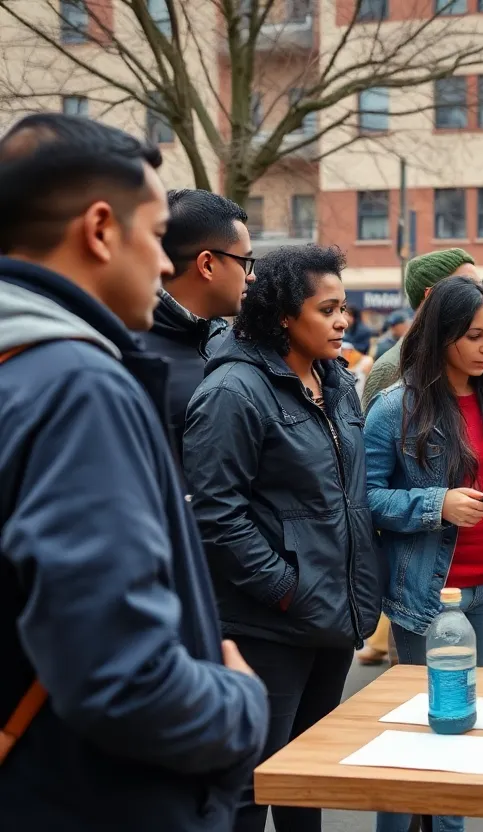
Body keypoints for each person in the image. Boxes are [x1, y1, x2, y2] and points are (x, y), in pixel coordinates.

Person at [0, 113, 268, 830]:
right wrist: (240, 706)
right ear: (98, 230)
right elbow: (123, 678)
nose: (163, 265)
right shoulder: (78, 388)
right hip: (90, 796)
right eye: (154, 237)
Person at [183, 244, 381, 832]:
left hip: (334, 612)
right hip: (269, 621)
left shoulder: (336, 380)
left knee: (305, 775)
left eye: (344, 307)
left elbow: (346, 495)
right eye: (328, 309)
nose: (342, 320)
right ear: (283, 316)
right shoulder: (233, 392)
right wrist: (285, 587)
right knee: (251, 783)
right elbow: (216, 515)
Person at [364, 277, 483, 832]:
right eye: (474, 336)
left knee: (460, 727)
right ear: (442, 337)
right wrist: (436, 503)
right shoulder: (396, 407)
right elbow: (364, 498)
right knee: (415, 733)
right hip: (424, 595)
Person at [144, 188, 254, 461]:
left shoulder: (228, 342)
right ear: (207, 265)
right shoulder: (131, 357)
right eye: (245, 262)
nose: (251, 277)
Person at [362, 248, 477, 409]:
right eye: (466, 287)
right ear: (430, 295)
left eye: (481, 286)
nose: (479, 296)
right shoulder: (390, 368)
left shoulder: (472, 355)